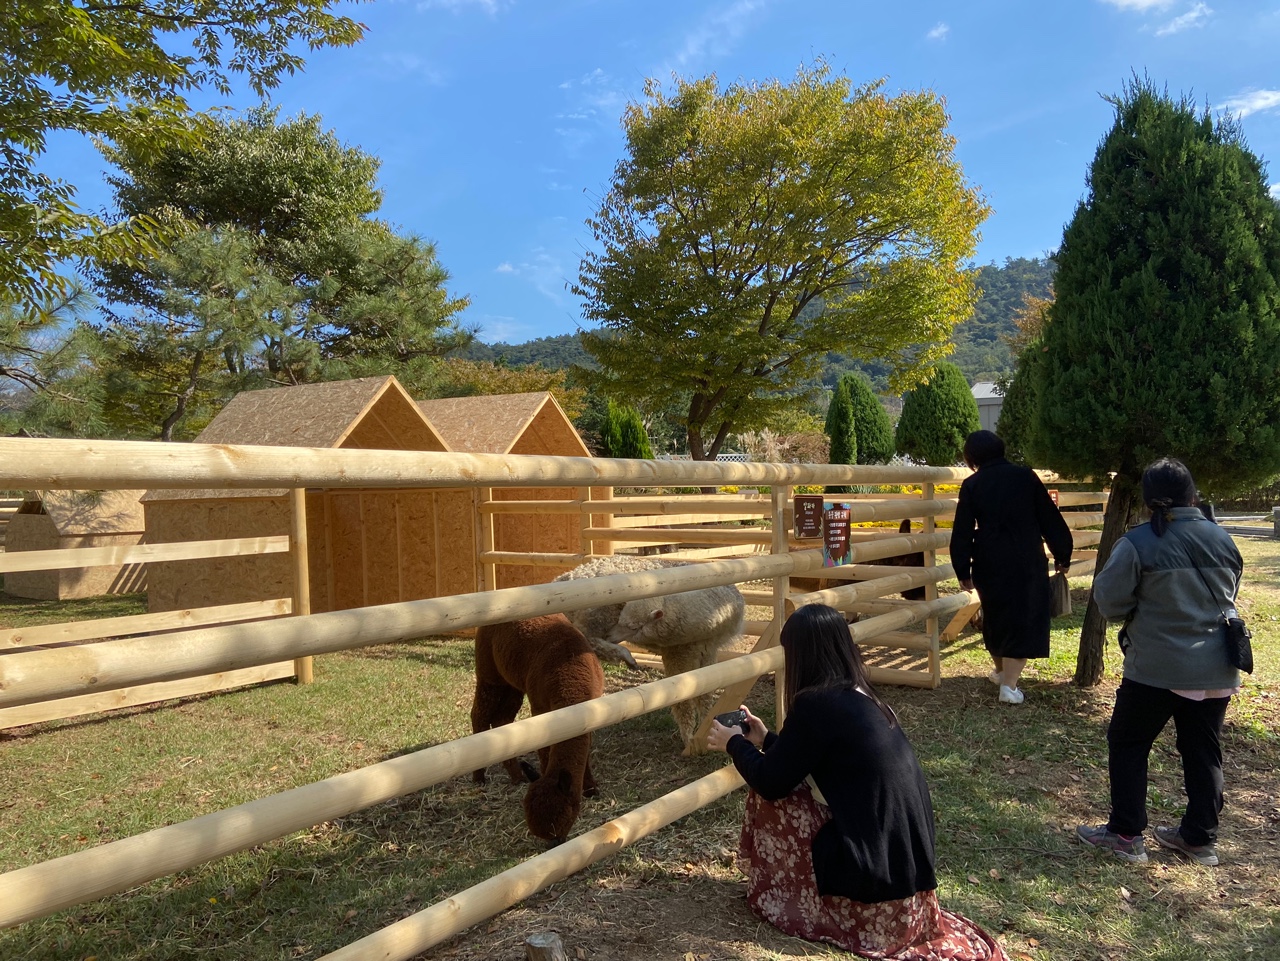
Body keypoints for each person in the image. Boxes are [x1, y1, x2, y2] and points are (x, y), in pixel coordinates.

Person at [707, 604, 1007, 960]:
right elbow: (819, 760)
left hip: (872, 877)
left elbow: (772, 782)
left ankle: (788, 900)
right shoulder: (859, 694)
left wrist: (734, 743)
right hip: (904, 872)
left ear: (802, 654)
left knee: (768, 801)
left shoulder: (816, 704)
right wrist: (767, 739)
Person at [1076, 457, 1242, 866]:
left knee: (1129, 743)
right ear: (1193, 494)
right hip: (1217, 664)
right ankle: (1199, 839)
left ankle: (1126, 834)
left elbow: (1110, 601)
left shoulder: (1138, 542)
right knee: (1203, 750)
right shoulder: (1223, 538)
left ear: (1147, 499)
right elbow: (1231, 589)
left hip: (1157, 666)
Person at [949, 430, 1073, 704]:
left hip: (988, 559)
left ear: (971, 457)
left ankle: (1001, 673)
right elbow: (1049, 518)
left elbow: (962, 531)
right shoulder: (1025, 477)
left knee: (996, 616)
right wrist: (1062, 554)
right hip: (1026, 557)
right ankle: (1009, 686)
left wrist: (962, 570)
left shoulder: (972, 484)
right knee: (1024, 618)